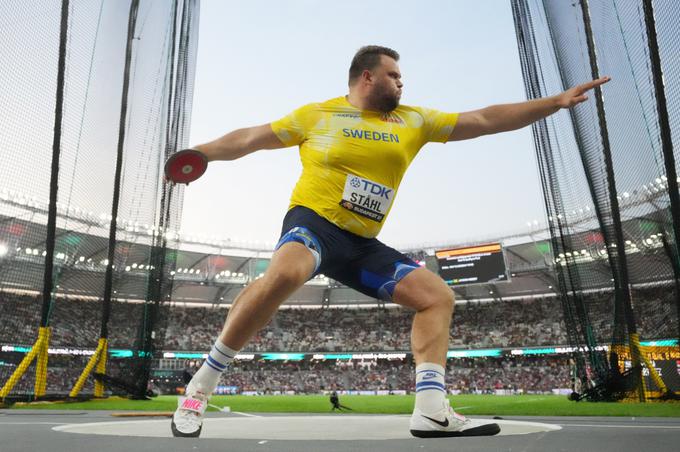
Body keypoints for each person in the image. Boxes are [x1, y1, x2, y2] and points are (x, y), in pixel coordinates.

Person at [170, 45, 610, 438]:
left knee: (437, 296)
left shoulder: (413, 120)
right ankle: (200, 387)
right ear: (367, 77)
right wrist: (202, 153)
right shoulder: (317, 115)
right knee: (285, 272)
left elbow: (483, 119)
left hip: (362, 244)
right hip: (314, 224)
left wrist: (554, 102)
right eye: (395, 75)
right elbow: (248, 138)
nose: (402, 82)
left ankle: (432, 411)